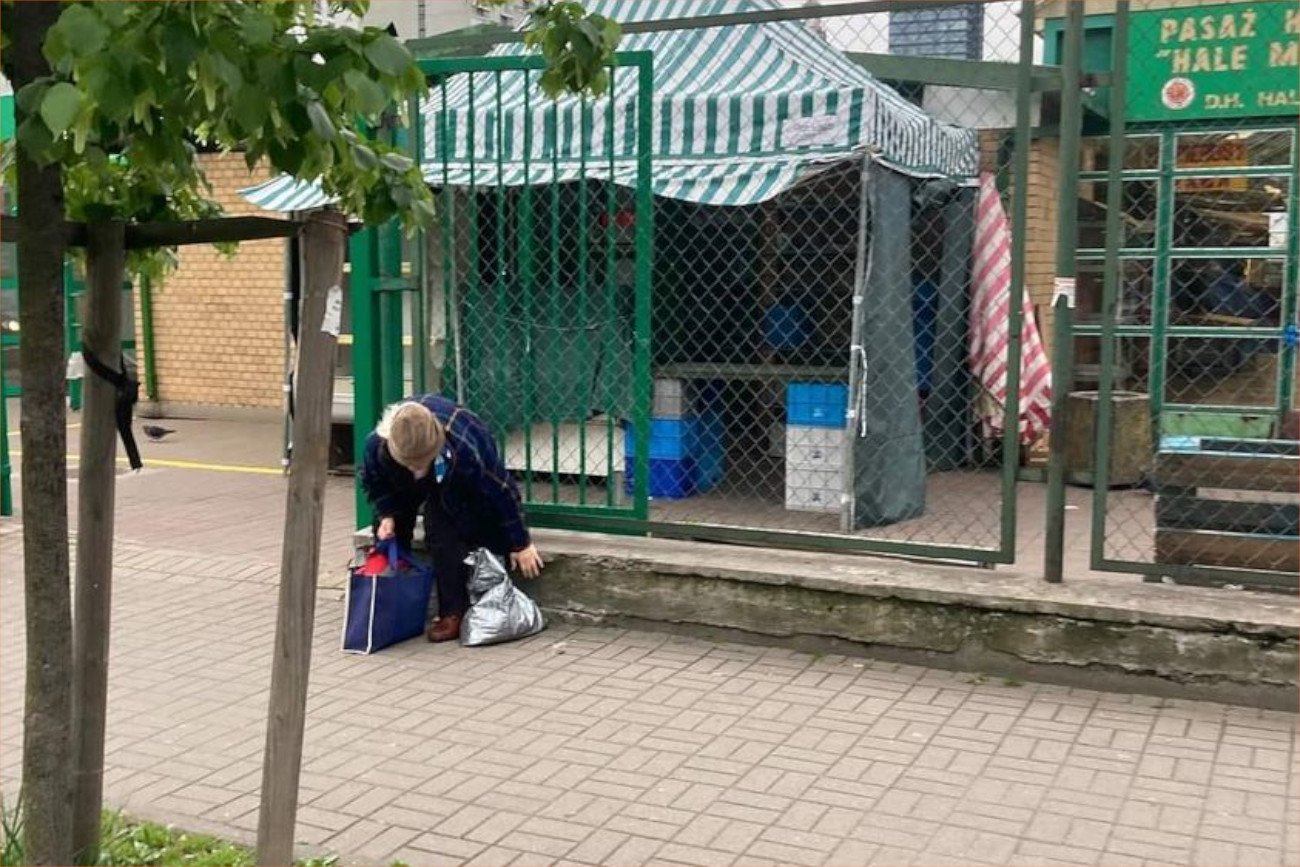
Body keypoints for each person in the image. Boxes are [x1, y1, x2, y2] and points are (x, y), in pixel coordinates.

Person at [359, 395, 543, 642]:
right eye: (411, 464)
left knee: (443, 531)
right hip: (401, 478)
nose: (417, 470)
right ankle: (394, 604)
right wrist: (386, 514)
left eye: (421, 463)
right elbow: (374, 482)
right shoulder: (377, 446)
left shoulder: (465, 445)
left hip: (450, 477)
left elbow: (501, 489)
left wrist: (520, 543)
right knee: (390, 532)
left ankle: (452, 612)